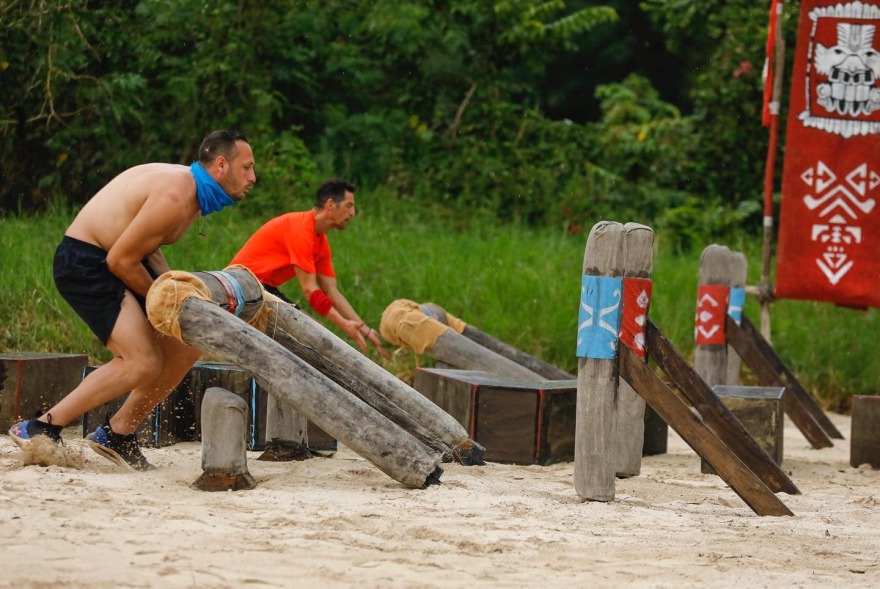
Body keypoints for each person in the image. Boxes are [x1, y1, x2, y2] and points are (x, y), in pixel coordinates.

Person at [8, 129, 256, 470]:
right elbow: (119, 260)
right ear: (221, 164)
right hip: (86, 263)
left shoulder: (190, 190)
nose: (252, 178)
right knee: (141, 361)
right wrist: (164, 299)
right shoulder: (176, 195)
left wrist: (176, 292)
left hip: (115, 259)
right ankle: (42, 426)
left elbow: (145, 247)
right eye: (247, 167)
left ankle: (117, 435)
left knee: (183, 347)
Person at [229, 178, 389, 359]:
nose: (353, 213)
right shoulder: (300, 229)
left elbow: (332, 292)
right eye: (348, 205)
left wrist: (365, 330)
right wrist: (344, 325)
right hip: (241, 284)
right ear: (330, 205)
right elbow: (310, 290)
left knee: (314, 334)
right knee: (313, 334)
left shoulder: (320, 242)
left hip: (263, 288)